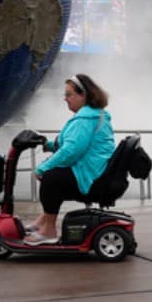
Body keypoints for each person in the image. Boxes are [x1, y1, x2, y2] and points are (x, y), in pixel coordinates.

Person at [25, 74, 114, 244]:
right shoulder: (93, 115)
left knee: (50, 178)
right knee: (55, 176)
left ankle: (49, 231)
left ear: (83, 95)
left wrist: (42, 168)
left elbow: (72, 151)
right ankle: (43, 222)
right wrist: (47, 144)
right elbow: (74, 143)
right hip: (95, 169)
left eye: (69, 94)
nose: (65, 99)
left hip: (90, 174)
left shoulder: (85, 119)